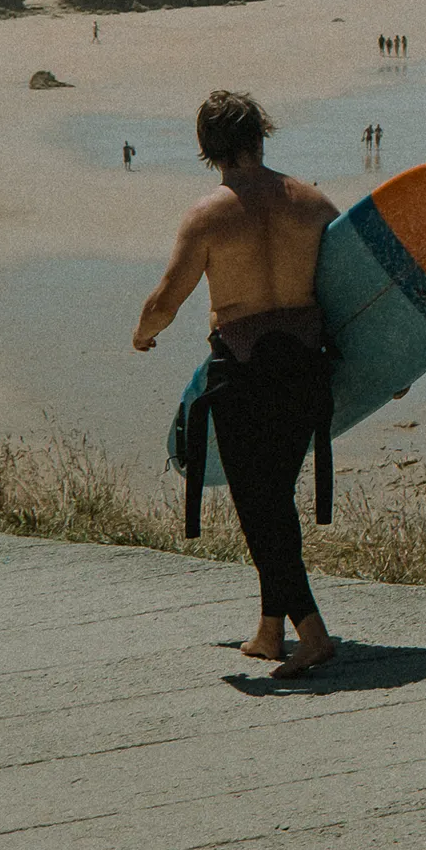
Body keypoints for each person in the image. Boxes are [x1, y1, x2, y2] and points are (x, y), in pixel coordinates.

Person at [137, 91, 341, 679]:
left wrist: (141, 334)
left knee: (261, 506)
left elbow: (166, 300)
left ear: (208, 150)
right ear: (260, 136)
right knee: (272, 497)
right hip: (306, 371)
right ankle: (269, 631)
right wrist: (391, 368)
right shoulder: (314, 203)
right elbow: (357, 289)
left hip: (246, 375)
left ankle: (313, 633)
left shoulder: (209, 216)